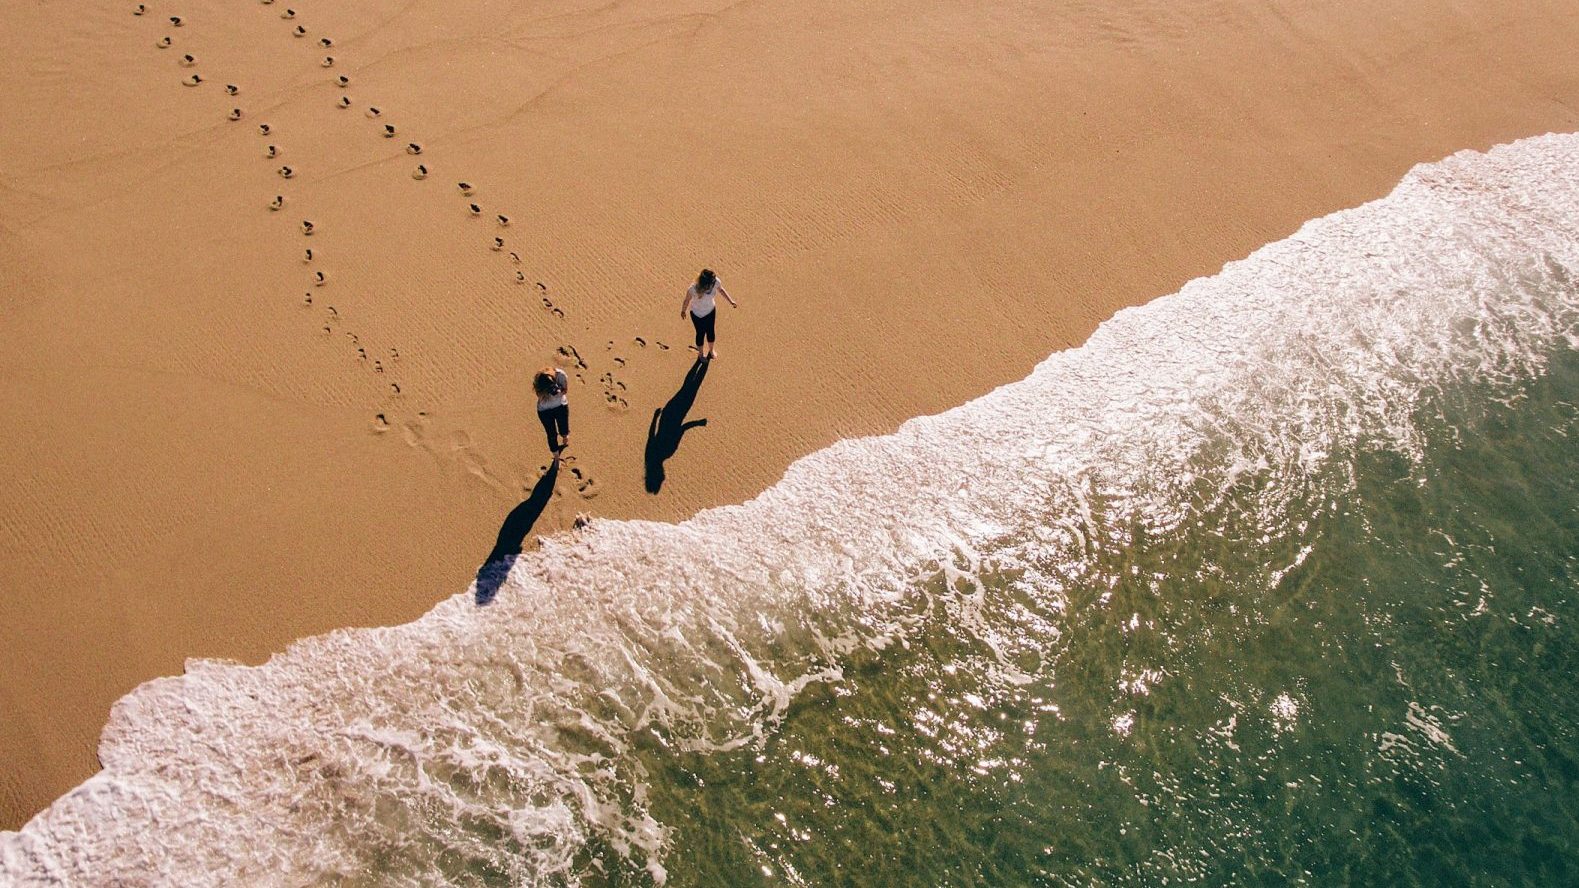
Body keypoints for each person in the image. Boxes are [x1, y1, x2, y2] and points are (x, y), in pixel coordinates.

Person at [680, 268, 737, 360]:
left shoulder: (715, 281)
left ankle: (711, 350)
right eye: (712, 282)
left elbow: (721, 290)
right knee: (700, 333)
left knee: (711, 332)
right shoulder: (693, 289)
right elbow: (686, 300)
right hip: (696, 314)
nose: (714, 283)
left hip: (710, 311)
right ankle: (701, 354)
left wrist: (731, 301)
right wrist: (683, 311)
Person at [532, 365, 570, 456]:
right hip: (544, 410)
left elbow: (565, 390)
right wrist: (547, 391)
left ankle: (565, 437)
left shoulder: (561, 375)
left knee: (564, 427)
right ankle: (556, 456)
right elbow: (539, 394)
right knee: (551, 434)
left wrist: (558, 390)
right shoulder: (539, 381)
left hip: (560, 405)